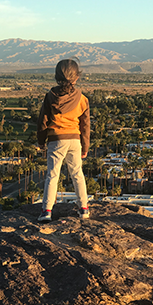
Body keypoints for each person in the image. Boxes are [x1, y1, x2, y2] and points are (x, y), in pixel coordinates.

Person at [37, 58, 90, 222]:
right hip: (74, 140)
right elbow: (85, 125)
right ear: (76, 78)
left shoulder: (50, 97)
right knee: (77, 174)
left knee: (52, 175)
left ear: (56, 77)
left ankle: (46, 211)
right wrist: (85, 147)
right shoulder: (82, 99)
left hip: (56, 140)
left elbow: (43, 121)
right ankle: (84, 209)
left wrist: (41, 141)